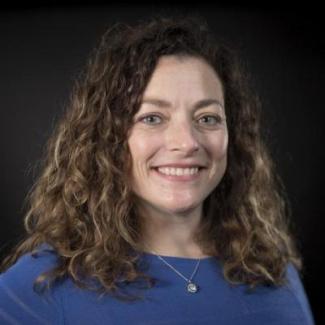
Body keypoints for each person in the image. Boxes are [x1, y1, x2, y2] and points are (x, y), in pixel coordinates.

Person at [0, 15, 315, 324]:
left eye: (207, 118)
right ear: (106, 137)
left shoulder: (272, 268)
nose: (187, 142)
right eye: (152, 118)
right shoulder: (40, 287)